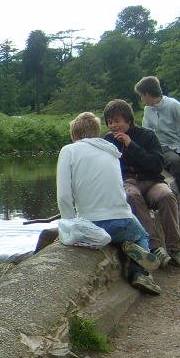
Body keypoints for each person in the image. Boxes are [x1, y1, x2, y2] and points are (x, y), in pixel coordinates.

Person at [57, 111, 162, 295]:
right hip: (122, 218)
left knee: (70, 229)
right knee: (141, 236)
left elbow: (64, 196)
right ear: (96, 133)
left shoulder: (69, 151)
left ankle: (102, 238)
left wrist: (69, 223)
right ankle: (139, 273)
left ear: (75, 135)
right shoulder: (111, 152)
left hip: (93, 222)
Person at [101, 99, 180, 272]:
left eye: (117, 121)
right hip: (128, 182)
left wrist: (131, 145)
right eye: (110, 122)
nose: (113, 125)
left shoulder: (147, 136)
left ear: (128, 121)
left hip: (152, 181)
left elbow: (156, 165)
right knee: (131, 196)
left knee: (167, 195)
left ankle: (176, 250)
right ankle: (155, 248)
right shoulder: (108, 140)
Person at [134, 76, 180, 223]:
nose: (141, 99)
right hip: (165, 148)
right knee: (175, 164)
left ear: (148, 94)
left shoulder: (174, 106)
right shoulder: (148, 111)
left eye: (141, 95)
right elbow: (148, 133)